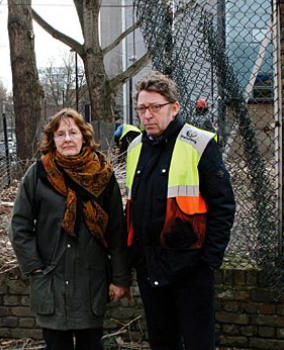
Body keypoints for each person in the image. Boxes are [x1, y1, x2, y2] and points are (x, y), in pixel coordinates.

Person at [125, 71, 236, 350]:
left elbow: (223, 205)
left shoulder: (198, 144)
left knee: (198, 342)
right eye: (141, 108)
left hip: (191, 270)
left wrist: (209, 261)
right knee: (162, 342)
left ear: (174, 108)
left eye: (155, 107)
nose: (147, 115)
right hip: (151, 267)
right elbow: (133, 206)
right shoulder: (135, 147)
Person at [8, 108, 131, 350]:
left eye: (73, 132)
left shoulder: (103, 175)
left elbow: (117, 230)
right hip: (51, 280)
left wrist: (120, 278)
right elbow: (20, 225)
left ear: (84, 137)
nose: (67, 139)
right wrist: (34, 268)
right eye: (60, 133)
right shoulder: (38, 174)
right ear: (52, 139)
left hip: (91, 281)